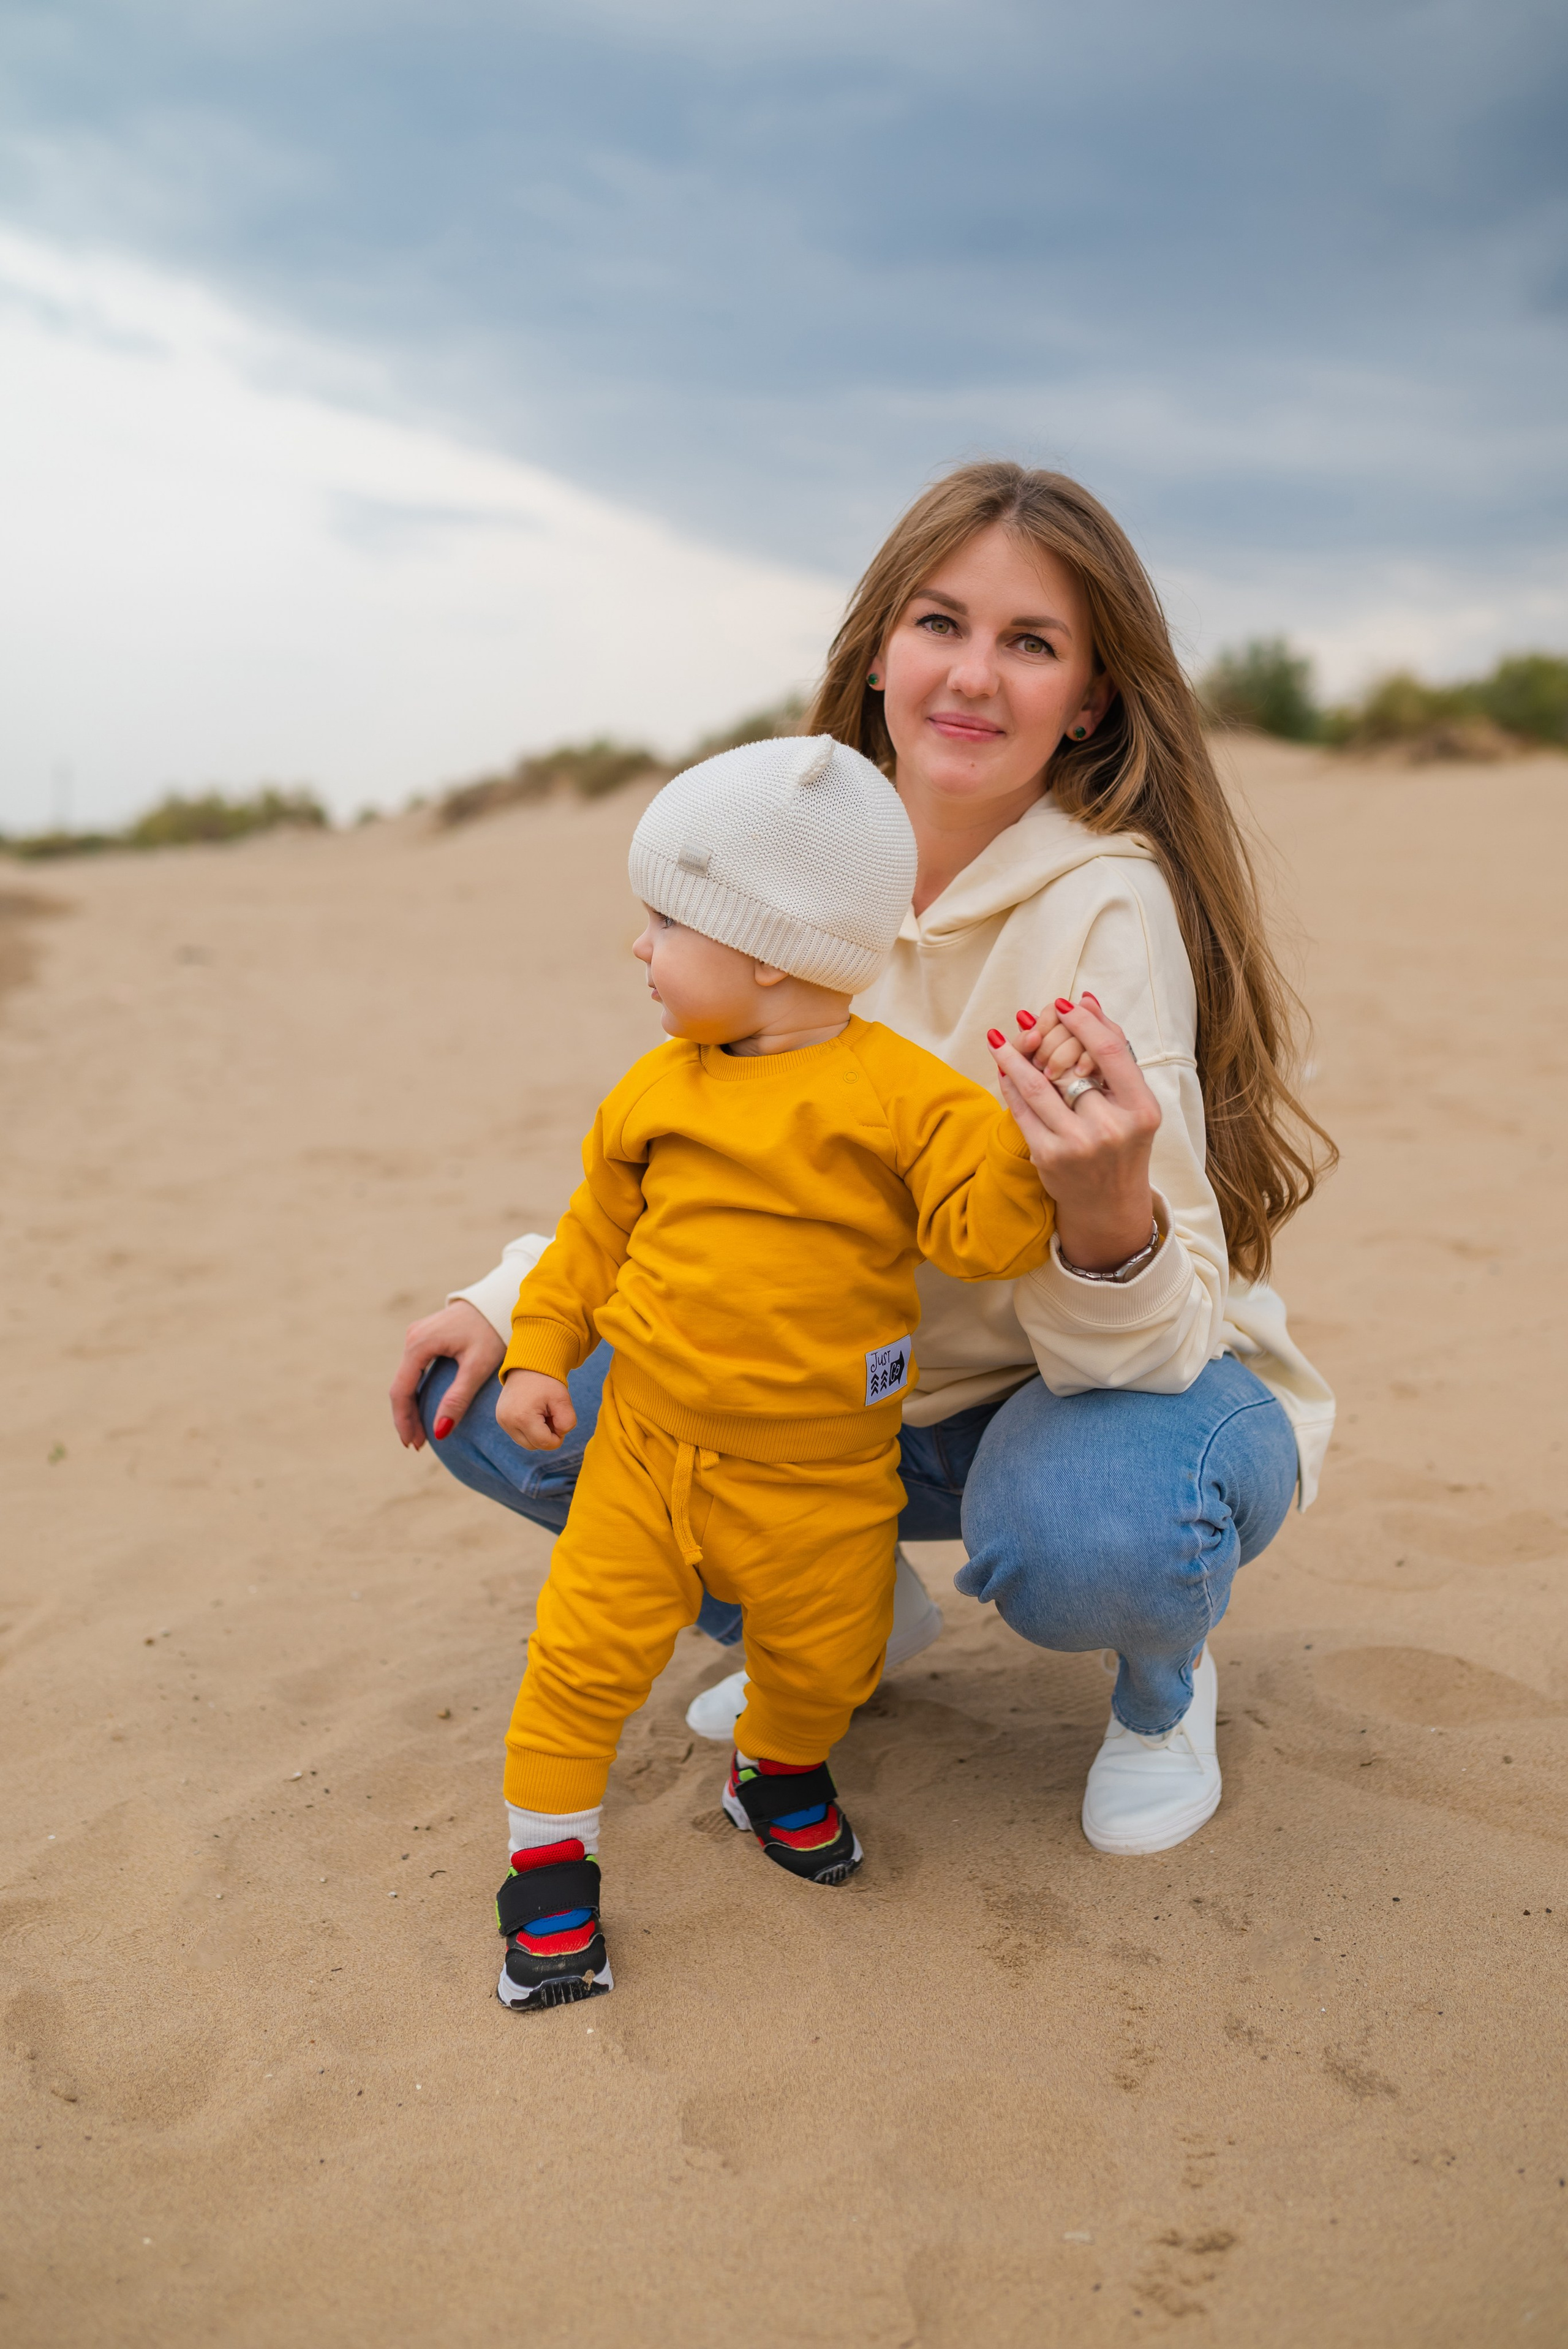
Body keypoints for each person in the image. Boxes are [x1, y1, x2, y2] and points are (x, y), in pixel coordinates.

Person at [390, 459, 1336, 1880]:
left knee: (1096, 1529)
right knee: (483, 1392)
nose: (970, 675)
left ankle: (1159, 1696)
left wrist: (1098, 1219)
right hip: (832, 1411)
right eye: (938, 623)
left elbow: (1169, 1325)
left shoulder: (1104, 903)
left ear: (1086, 694)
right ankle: (827, 1620)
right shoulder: (784, 858)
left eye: (1030, 643)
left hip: (1071, 1401)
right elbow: (696, 1163)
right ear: (878, 646)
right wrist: (506, 1293)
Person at [484, 733, 1095, 2011]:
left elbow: (983, 1237)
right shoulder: (652, 1091)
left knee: (826, 1659)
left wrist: (1035, 1139)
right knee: (580, 1656)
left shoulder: (901, 1097)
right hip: (646, 1449)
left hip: (820, 1471)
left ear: (767, 949)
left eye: (664, 920)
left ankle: (774, 1769)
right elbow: (590, 1239)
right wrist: (539, 1349)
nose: (636, 948)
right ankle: (546, 1866)